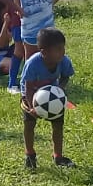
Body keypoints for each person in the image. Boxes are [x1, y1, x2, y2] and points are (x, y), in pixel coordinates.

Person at [19, 27, 74, 169]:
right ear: (44, 52)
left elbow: (65, 77)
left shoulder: (64, 61)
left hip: (53, 97)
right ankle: (30, 154)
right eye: (58, 49)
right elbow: (28, 86)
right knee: (29, 124)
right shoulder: (32, 63)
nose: (62, 52)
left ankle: (58, 156)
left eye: (63, 48)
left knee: (58, 125)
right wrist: (32, 107)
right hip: (30, 95)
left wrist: (59, 89)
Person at [3, 0, 36, 94]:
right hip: (18, 15)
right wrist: (19, 10)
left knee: (26, 49)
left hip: (23, 13)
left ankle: (29, 80)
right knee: (19, 49)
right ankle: (12, 83)